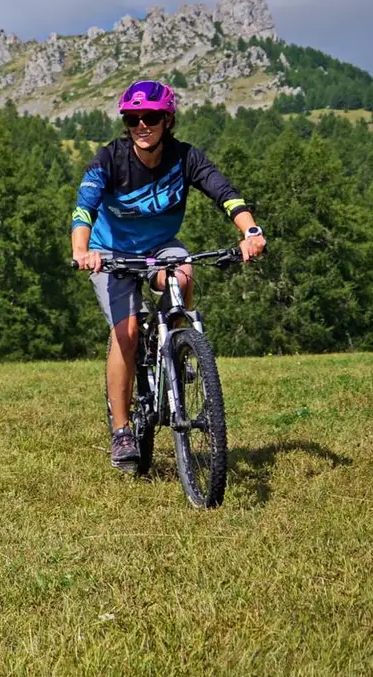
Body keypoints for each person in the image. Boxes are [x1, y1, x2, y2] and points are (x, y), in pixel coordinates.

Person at [71, 80, 266, 470]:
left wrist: (251, 231)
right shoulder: (110, 158)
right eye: (133, 118)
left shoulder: (185, 158)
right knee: (125, 334)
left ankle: (177, 346)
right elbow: (84, 207)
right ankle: (123, 430)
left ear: (168, 120)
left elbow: (224, 192)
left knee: (184, 274)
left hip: (161, 246)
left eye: (151, 117)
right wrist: (81, 250)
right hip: (111, 254)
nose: (142, 125)